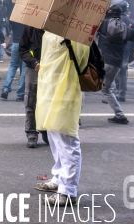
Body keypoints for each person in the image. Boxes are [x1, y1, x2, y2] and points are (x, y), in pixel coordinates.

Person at [34, 31, 86, 207]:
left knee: (67, 141)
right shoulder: (51, 30)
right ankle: (59, 178)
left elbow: (82, 60)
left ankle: (68, 190)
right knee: (55, 138)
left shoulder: (77, 31)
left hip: (66, 88)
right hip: (50, 87)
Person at [97, 4, 134, 124]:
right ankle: (120, 116)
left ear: (109, 12)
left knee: (83, 86)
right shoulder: (127, 28)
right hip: (116, 63)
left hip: (103, 61)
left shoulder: (103, 24)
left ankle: (76, 119)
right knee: (106, 89)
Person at [1, 20, 26, 101]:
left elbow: (10, 25)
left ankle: (6, 89)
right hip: (25, 44)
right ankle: (20, 94)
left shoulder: (16, 16)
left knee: (13, 66)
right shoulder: (30, 18)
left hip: (15, 43)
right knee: (24, 70)